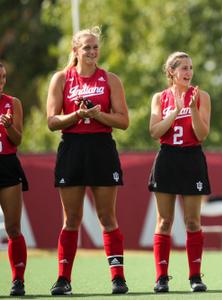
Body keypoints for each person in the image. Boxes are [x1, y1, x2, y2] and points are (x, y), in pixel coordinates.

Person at [46, 26, 129, 295]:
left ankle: (118, 278)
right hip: (72, 148)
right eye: (87, 47)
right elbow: (51, 121)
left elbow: (123, 120)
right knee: (71, 219)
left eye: (95, 47)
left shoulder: (110, 79)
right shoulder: (61, 79)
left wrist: (97, 115)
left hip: (101, 148)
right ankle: (63, 278)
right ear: (75, 51)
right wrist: (76, 116)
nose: (92, 52)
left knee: (107, 216)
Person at [148, 51, 211, 293]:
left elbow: (202, 134)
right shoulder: (160, 98)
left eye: (191, 68)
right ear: (172, 72)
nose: (188, 72)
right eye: (183, 68)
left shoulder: (201, 96)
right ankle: (161, 277)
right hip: (167, 158)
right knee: (164, 222)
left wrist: (192, 107)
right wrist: (175, 111)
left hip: (192, 158)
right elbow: (155, 132)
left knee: (193, 221)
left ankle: (195, 276)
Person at [0, 62, 28, 296]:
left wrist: (9, 127)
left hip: (7, 165)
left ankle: (18, 280)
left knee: (13, 227)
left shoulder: (13, 103)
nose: (1, 81)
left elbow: (17, 140)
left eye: (3, 77)